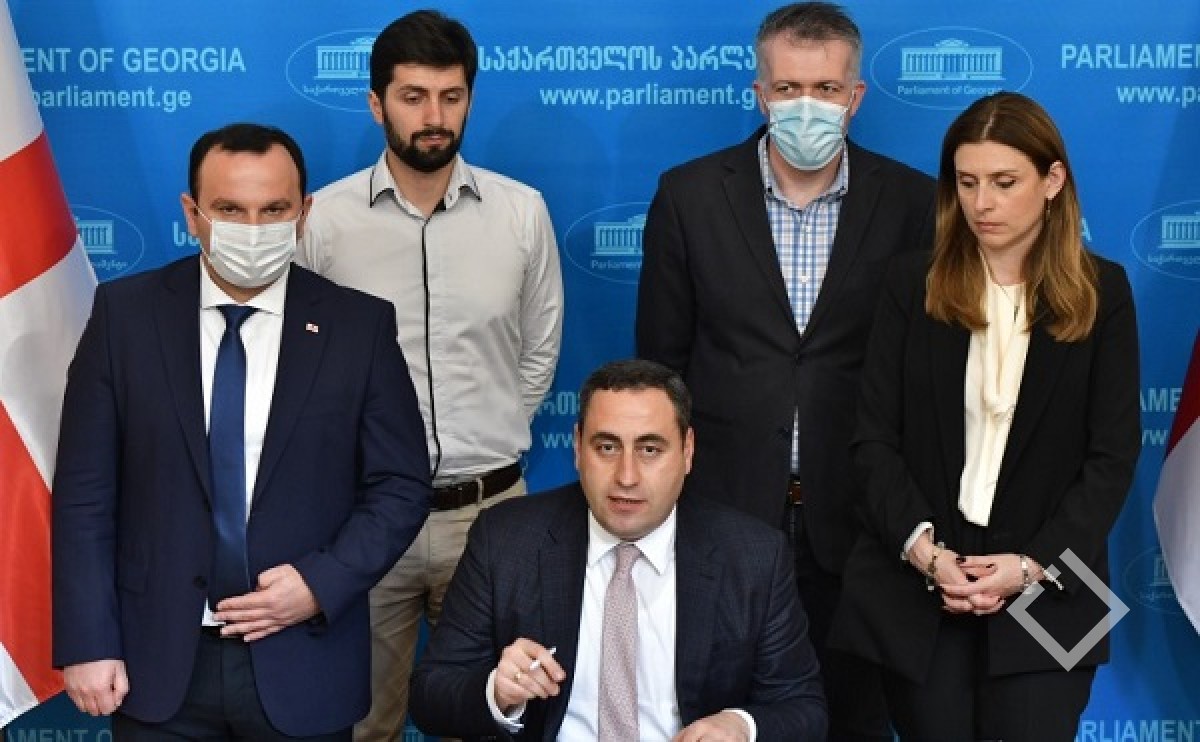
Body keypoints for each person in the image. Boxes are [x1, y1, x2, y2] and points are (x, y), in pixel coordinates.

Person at [52, 123, 432, 740]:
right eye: (230, 209)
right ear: (192, 214)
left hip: (304, 655)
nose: (253, 229)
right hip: (156, 661)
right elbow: (84, 494)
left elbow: (401, 485)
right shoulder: (125, 317)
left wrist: (320, 583)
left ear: (303, 213)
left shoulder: (358, 327)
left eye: (273, 209)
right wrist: (88, 640)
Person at [635, 3, 933, 738]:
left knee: (853, 721)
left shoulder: (913, 202)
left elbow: (923, 376)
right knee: (720, 722)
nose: (807, 105)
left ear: (855, 97)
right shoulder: (689, 195)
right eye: (788, 87)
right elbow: (660, 370)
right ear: (760, 93)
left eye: (826, 89)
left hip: (861, 525)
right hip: (722, 517)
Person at [830, 92, 1141, 741]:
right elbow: (874, 440)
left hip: (1051, 588)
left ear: (1052, 181)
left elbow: (1111, 458)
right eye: (967, 182)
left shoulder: (1103, 291)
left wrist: (1030, 565)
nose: (982, 203)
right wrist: (926, 555)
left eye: (1004, 182)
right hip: (922, 585)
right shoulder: (910, 283)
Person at [296, 9, 564, 740]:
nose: (434, 117)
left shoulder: (521, 213)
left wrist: (490, 436)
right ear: (376, 103)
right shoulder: (323, 223)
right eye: (413, 97)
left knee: (501, 718)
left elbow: (537, 355)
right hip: (362, 521)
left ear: (470, 99)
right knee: (362, 724)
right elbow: (300, 373)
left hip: (492, 517)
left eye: (451, 96)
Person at [409, 359, 828, 741]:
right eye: (607, 447)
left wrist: (740, 726)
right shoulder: (506, 539)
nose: (626, 476)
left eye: (650, 450)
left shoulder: (753, 557)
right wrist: (497, 693)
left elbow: (803, 708)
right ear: (577, 448)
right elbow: (430, 695)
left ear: (687, 452)